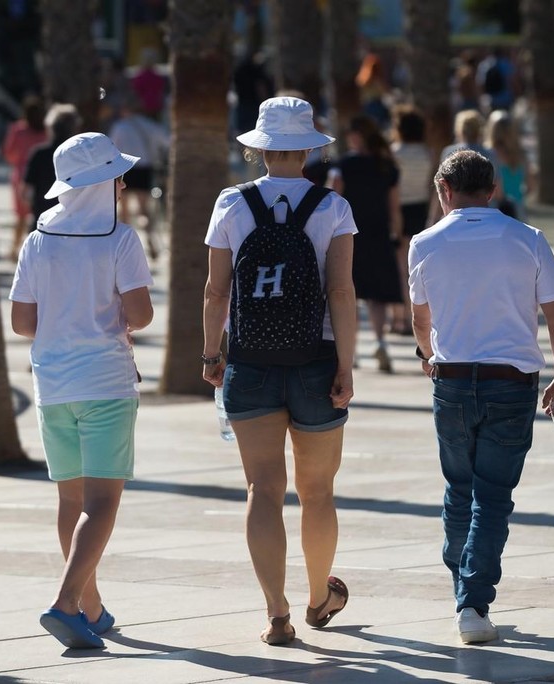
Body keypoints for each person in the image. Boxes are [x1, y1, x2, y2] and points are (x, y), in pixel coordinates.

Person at [202, 96, 356, 646]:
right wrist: (345, 365)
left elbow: (217, 290)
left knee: (262, 487)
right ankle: (319, 599)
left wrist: (211, 355)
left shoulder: (231, 203)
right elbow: (340, 290)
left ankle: (276, 613)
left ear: (259, 147)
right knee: (318, 492)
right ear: (309, 148)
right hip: (316, 361)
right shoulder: (332, 207)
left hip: (250, 359)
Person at [408, 149, 554, 645]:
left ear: (444, 191)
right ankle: (473, 602)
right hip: (511, 382)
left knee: (460, 488)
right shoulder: (526, 239)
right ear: (494, 189)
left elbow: (422, 318)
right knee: (493, 495)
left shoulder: (424, 242)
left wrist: (427, 353)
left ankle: (464, 587)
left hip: (452, 378)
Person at [9, 132, 154, 649]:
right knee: (103, 502)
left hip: (52, 382)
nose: (123, 181)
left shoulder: (38, 237)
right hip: (107, 383)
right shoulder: (120, 238)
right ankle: (67, 604)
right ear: (105, 182)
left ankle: (91, 607)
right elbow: (141, 314)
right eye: (118, 174)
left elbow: (22, 321)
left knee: (71, 500)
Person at [328, 113, 402, 372]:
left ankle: (352, 349)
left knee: (350, 293)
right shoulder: (386, 165)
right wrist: (396, 234)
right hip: (379, 233)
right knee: (377, 296)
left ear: (356, 136)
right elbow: (394, 207)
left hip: (349, 234)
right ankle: (380, 342)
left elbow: (332, 197)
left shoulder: (343, 165)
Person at [107, 97, 171, 260]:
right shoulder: (149, 125)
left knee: (124, 210)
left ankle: (124, 246)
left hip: (125, 169)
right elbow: (166, 141)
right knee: (144, 210)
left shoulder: (120, 126)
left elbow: (111, 148)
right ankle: (150, 242)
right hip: (144, 168)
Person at [390, 105, 433, 334]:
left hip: (400, 209)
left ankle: (401, 317)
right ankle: (414, 315)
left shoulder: (395, 152)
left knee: (401, 267)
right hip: (420, 208)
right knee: (417, 266)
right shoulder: (427, 153)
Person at [22, 104, 81, 239]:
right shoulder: (81, 156)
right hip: (74, 226)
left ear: (50, 127)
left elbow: (25, 192)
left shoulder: (39, 154)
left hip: (42, 221)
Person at [3, 95, 48, 260]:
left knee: (21, 216)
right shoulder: (46, 130)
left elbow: (8, 153)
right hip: (42, 175)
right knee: (40, 214)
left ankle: (15, 250)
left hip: (21, 175)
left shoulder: (18, 130)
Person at [485, 111, 535, 221]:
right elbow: (531, 186)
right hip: (518, 208)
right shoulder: (521, 155)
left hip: (495, 210)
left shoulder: (488, 154)